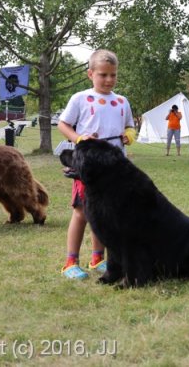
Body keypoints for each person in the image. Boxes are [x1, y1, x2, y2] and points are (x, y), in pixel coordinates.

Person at [57, 49, 136, 280]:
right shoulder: (80, 98)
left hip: (115, 169)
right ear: (90, 74)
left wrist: (129, 135)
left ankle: (98, 259)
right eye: (103, 75)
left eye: (113, 75)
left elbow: (130, 126)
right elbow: (63, 124)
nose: (109, 80)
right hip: (89, 169)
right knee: (82, 213)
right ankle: (70, 262)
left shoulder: (122, 101)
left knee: (106, 213)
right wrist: (79, 138)